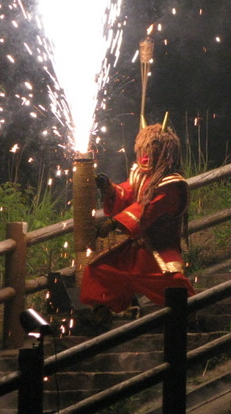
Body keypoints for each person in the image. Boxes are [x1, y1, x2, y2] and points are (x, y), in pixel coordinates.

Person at [80, 121, 195, 319]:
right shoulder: (140, 175)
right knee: (101, 269)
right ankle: (102, 313)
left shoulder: (172, 183)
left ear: (165, 152)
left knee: (174, 284)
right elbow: (126, 193)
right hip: (135, 248)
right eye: (143, 150)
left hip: (158, 249)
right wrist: (109, 188)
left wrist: (114, 223)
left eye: (151, 150)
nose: (145, 156)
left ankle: (193, 313)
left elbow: (146, 209)